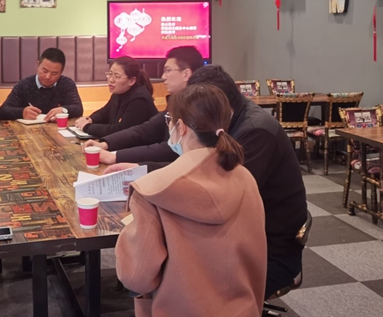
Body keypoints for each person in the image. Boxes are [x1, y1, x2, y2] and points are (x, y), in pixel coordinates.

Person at [107, 64, 308, 299]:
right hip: (239, 240)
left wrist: (151, 187)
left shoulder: (255, 132)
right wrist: (145, 171)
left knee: (152, 269)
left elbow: (214, 192)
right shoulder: (228, 124)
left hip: (266, 252)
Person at [115, 84, 266, 316]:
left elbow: (136, 278)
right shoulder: (245, 178)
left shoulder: (152, 190)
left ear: (181, 127)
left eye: (169, 120)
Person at [83, 46, 203, 164]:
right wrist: (106, 144)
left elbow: (170, 150)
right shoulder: (177, 101)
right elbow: (145, 129)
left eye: (168, 70)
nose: (163, 77)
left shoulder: (198, 106)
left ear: (186, 74)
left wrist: (115, 156)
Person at [73, 56, 157, 137]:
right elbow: (103, 114)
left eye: (117, 76)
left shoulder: (140, 100)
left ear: (131, 81)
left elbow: (121, 131)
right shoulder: (119, 92)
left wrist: (87, 127)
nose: (111, 80)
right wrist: (90, 119)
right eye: (110, 74)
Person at [0, 48, 84, 122]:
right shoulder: (24, 85)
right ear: (38, 65)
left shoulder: (67, 84)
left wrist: (64, 110)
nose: (48, 76)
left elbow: (78, 109)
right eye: (45, 71)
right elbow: (2, 112)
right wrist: (22, 112)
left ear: (61, 72)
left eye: (54, 73)